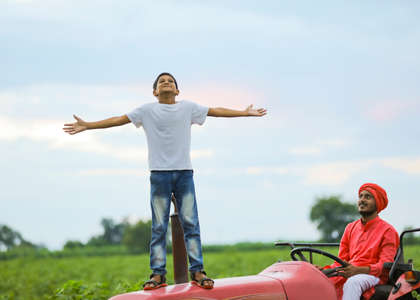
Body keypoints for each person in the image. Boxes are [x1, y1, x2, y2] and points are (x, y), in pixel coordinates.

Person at [63, 72, 267, 290]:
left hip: (184, 174)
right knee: (159, 227)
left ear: (177, 90)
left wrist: (244, 113)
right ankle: (158, 274)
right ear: (155, 92)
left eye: (170, 81)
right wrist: (89, 125)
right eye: (162, 82)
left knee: (191, 223)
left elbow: (215, 111)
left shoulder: (188, 108)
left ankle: (197, 271)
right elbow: (118, 119)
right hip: (159, 174)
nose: (166, 83)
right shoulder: (146, 110)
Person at [323, 183, 400, 300]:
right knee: (320, 281)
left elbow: (384, 265)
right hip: (351, 272)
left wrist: (358, 270)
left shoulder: (388, 231)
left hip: (373, 276)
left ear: (378, 202)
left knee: (353, 282)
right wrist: (323, 270)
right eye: (360, 196)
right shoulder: (350, 228)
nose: (362, 200)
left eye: (367, 197)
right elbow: (341, 261)